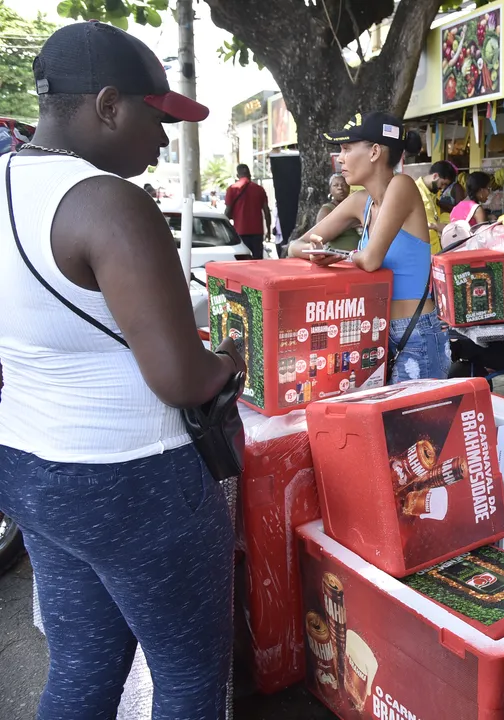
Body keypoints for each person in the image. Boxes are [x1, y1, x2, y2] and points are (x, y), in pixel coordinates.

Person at [0, 22, 242, 719]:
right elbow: (181, 380)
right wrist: (230, 361)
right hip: (133, 477)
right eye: (157, 116)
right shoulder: (110, 202)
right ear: (109, 104)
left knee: (80, 666)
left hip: (29, 465)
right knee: (191, 680)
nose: (165, 139)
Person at [288, 111, 449, 384]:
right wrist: (318, 254)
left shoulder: (402, 186)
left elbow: (372, 259)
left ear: (375, 151)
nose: (340, 158)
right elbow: (294, 245)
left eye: (347, 149)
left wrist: (338, 255)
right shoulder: (360, 201)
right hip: (376, 333)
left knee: (410, 426)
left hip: (416, 334)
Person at [225, 163, 271, 259]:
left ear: (237, 176)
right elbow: (266, 212)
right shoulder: (259, 189)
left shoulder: (232, 189)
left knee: (243, 262)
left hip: (240, 231)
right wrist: (269, 231)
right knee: (258, 261)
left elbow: (227, 212)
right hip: (257, 232)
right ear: (250, 174)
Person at [415, 160, 456, 253]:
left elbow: (436, 217)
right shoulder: (414, 191)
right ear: (435, 176)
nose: (442, 188)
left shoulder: (433, 194)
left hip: (436, 250)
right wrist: (436, 226)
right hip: (421, 251)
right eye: (442, 184)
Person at [314, 173, 362, 251]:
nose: (340, 188)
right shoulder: (327, 209)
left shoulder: (355, 207)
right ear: (330, 190)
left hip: (359, 254)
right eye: (336, 185)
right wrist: (348, 224)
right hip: (339, 257)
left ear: (349, 187)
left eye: (343, 184)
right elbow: (320, 235)